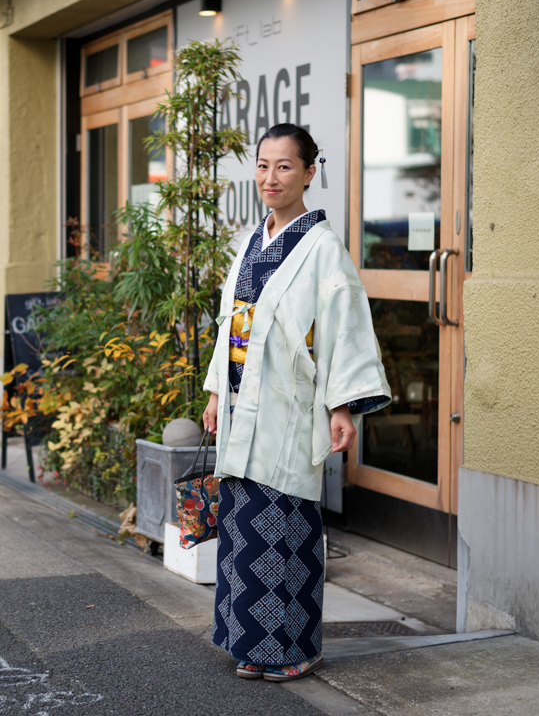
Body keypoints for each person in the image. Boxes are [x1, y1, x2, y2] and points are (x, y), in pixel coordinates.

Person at [201, 124, 391, 683]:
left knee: (285, 525)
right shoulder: (249, 240)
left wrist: (342, 407)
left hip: (289, 405)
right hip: (243, 403)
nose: (270, 177)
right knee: (244, 527)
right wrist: (218, 391)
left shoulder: (323, 248)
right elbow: (230, 324)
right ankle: (250, 643)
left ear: (310, 173)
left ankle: (297, 648)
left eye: (285, 166)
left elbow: (344, 329)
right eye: (263, 165)